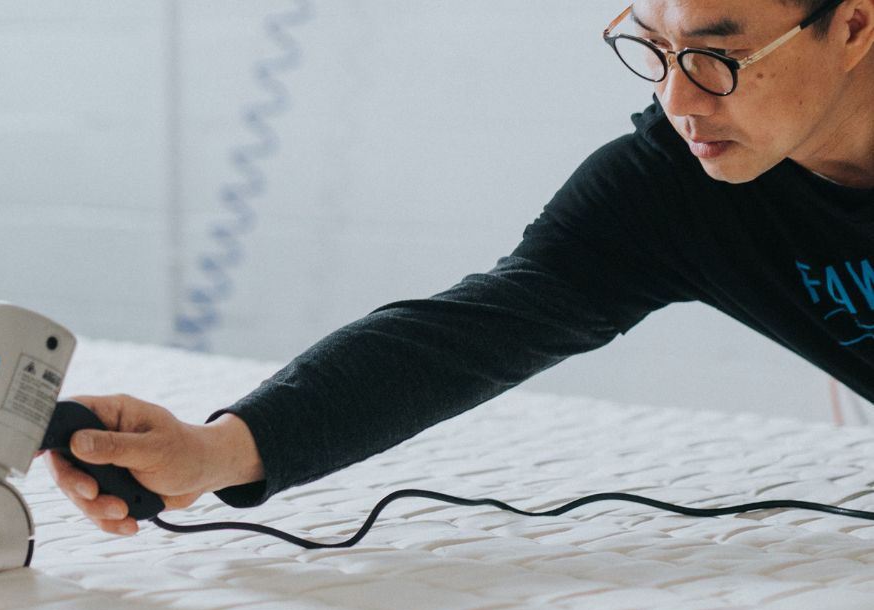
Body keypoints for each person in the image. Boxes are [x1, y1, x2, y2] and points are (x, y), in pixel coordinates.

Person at [50, 0, 874, 535]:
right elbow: (470, 333)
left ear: (853, 26)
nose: (680, 100)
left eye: (715, 57)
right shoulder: (675, 184)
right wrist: (214, 451)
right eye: (654, 49)